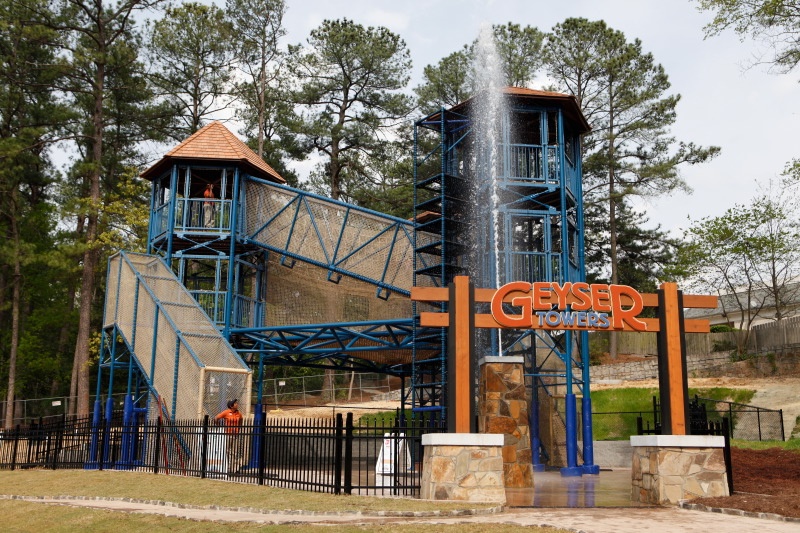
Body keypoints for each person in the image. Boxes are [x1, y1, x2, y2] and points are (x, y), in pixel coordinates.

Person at [215, 398, 243, 476]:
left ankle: (235, 469)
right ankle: (226, 467)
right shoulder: (226, 412)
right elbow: (217, 418)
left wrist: (238, 429)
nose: (237, 404)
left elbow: (241, 420)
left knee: (235, 452)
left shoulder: (238, 413)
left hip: (236, 435)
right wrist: (218, 426)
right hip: (228, 435)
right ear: (231, 406)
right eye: (235, 403)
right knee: (227, 451)